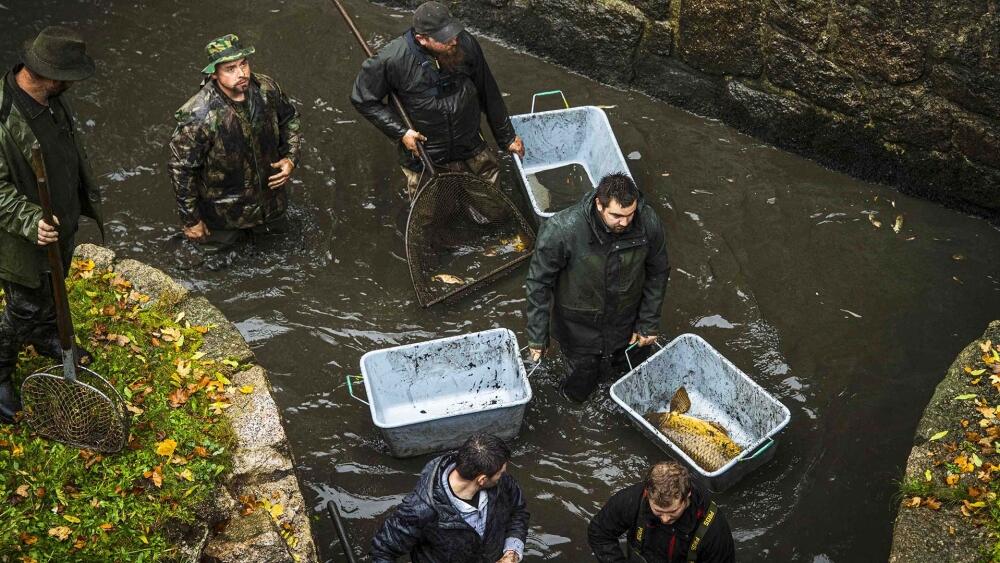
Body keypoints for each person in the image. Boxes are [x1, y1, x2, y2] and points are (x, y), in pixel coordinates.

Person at [0, 26, 103, 423]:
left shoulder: (49, 99)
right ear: (49, 75)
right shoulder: (4, 116)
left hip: (61, 224)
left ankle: (47, 334)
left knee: (54, 282)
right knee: (22, 307)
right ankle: (1, 371)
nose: (71, 85)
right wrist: (31, 221)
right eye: (69, 78)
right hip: (21, 239)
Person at [351, 1, 525, 197]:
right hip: (425, 155)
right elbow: (363, 100)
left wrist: (507, 137)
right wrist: (401, 132)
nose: (453, 41)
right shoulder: (392, 59)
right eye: (444, 38)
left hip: (470, 143)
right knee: (430, 214)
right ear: (422, 39)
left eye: (453, 33)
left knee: (491, 201)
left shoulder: (465, 44)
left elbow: (488, 90)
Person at [525, 172, 669, 402]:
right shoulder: (562, 229)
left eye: (630, 214)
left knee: (631, 379)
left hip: (628, 322)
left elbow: (658, 272)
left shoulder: (648, 221)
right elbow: (539, 283)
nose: (625, 222)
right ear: (599, 205)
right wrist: (537, 336)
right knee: (580, 386)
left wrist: (648, 322)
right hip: (580, 327)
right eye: (617, 215)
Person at [168, 33, 302, 253]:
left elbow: (290, 119)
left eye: (243, 64)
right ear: (214, 74)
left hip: (270, 205)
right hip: (223, 215)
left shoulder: (266, 89)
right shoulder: (198, 114)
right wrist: (191, 220)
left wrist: (291, 158)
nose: (242, 73)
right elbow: (181, 170)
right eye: (230, 68)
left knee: (284, 252)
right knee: (209, 264)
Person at [371, 433, 530, 563]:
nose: (503, 476)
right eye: (500, 473)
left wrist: (512, 552)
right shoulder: (419, 510)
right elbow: (382, 551)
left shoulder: (502, 483)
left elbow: (518, 512)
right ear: (481, 480)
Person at [588, 461, 736, 562]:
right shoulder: (632, 500)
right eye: (658, 511)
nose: (665, 519)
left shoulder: (714, 530)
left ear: (687, 496)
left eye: (673, 511)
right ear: (647, 494)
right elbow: (599, 532)